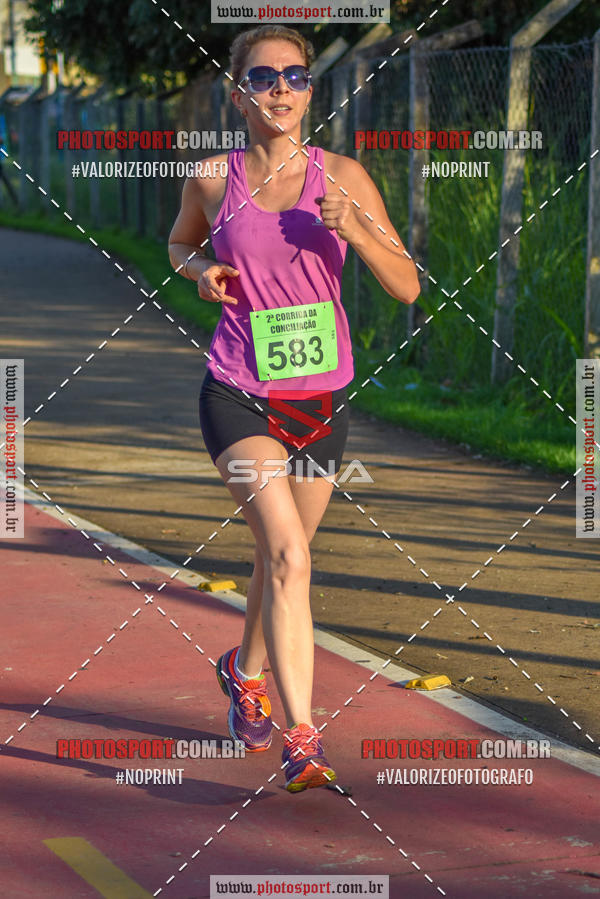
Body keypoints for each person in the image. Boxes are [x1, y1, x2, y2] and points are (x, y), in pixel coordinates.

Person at [168, 24, 420, 792]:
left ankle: (244, 670)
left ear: (312, 90)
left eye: (297, 75)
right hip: (238, 392)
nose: (281, 87)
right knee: (290, 555)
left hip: (319, 403)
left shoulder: (342, 176)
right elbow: (177, 243)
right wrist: (203, 268)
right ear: (238, 92)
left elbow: (406, 285)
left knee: (280, 561)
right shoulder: (214, 178)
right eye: (264, 75)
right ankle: (303, 739)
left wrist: (359, 237)